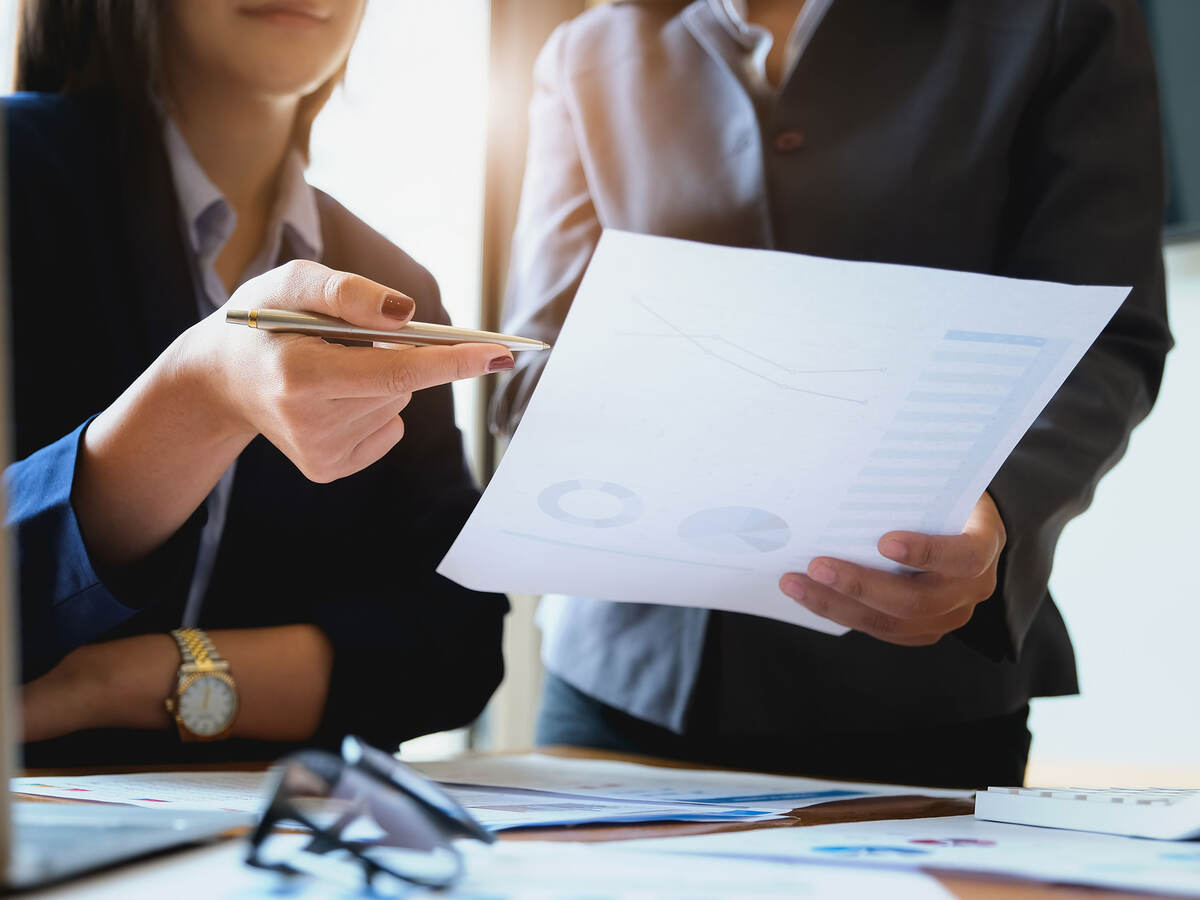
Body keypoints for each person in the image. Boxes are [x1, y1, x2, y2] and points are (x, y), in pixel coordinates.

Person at [491, 0, 1172, 788]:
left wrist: (998, 502)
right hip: (624, 681)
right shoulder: (585, 51)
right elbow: (533, 362)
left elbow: (1110, 336)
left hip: (918, 690)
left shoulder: (1055, 19)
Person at [6, 0, 511, 765]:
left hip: (266, 840)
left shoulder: (396, 288)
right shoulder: (17, 181)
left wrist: (115, 682)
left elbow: (456, 643)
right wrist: (199, 392)